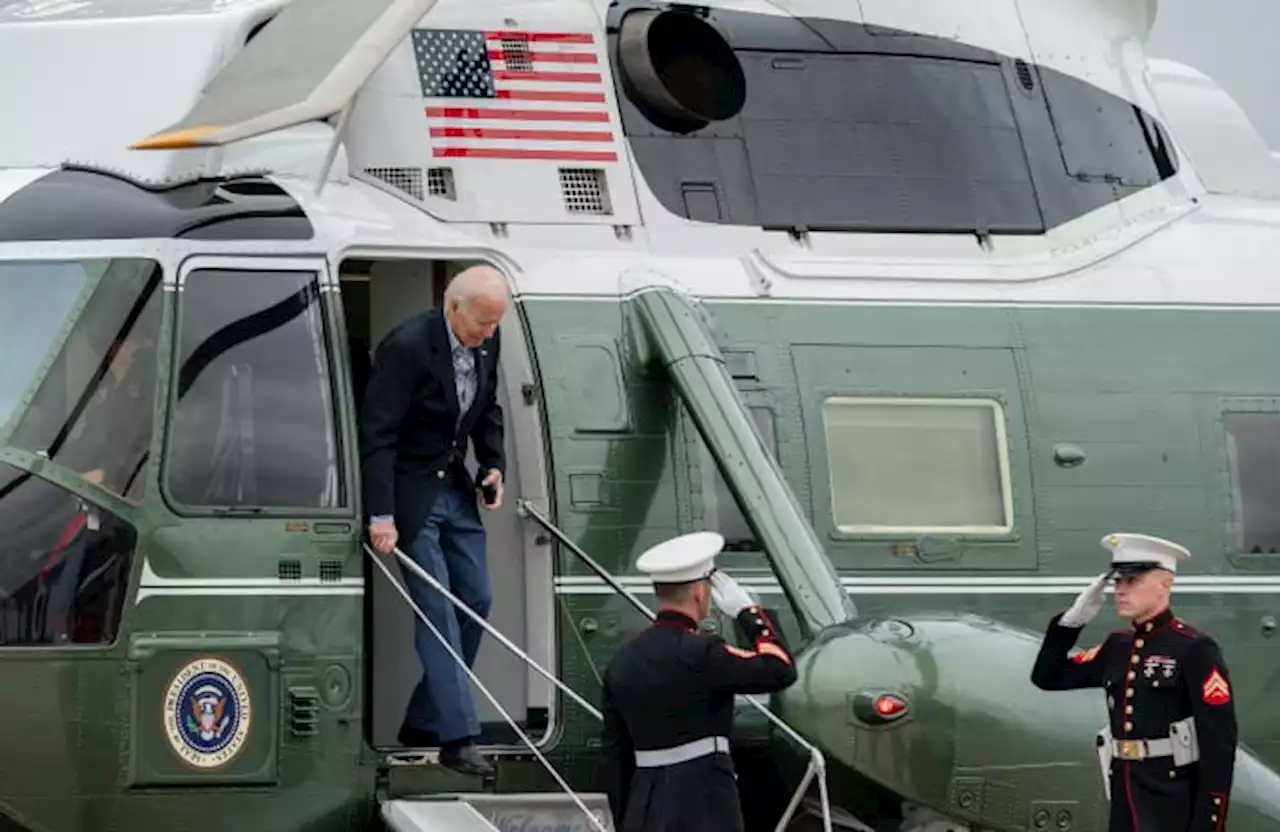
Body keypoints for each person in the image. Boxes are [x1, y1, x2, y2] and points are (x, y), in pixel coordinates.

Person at [360, 264, 509, 776]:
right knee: (437, 609)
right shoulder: (405, 347)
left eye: (494, 325)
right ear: (453, 308)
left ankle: (426, 717)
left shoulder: (489, 335)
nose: (488, 335)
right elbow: (377, 434)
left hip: (455, 487)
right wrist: (381, 514)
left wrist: (493, 464)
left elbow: (487, 406)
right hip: (409, 496)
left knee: (478, 597)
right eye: (481, 325)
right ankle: (458, 735)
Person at [1030, 533, 1238, 832]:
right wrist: (1071, 623)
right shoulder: (1118, 646)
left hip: (1173, 800)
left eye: (1133, 581)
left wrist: (1209, 823)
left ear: (1165, 583)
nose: (1121, 591)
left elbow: (1218, 743)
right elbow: (1047, 677)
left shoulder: (1193, 647)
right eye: (1118, 582)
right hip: (1126, 793)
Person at [600, 531, 799, 832]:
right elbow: (780, 669)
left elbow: (616, 756)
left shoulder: (622, 661)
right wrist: (748, 614)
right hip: (705, 805)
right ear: (699, 593)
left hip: (644, 810)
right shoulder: (702, 652)